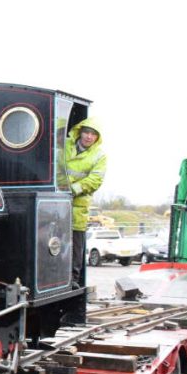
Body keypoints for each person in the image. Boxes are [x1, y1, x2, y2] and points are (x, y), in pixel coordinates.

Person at [65, 118, 106, 286]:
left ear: (97, 138)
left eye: (93, 134)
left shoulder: (99, 156)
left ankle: (73, 278)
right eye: (87, 132)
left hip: (78, 205)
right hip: (55, 201)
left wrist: (73, 189)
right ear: (80, 132)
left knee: (76, 243)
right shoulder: (64, 145)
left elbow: (95, 180)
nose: (89, 137)